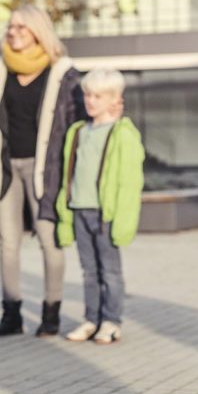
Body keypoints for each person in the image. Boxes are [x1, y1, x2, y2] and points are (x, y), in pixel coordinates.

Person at [0, 5, 84, 338]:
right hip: (4, 167)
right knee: (8, 243)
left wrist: (72, 173)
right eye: (10, 27)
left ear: (39, 31)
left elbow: (74, 124)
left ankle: (51, 313)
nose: (13, 32)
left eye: (21, 26)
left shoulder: (63, 71)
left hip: (45, 169)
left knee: (49, 241)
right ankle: (12, 314)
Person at [55, 69, 144, 345]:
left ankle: (111, 321)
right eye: (87, 95)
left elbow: (130, 183)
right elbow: (67, 175)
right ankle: (91, 319)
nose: (90, 101)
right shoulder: (78, 131)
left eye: (98, 96)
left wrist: (123, 222)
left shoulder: (123, 134)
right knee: (89, 271)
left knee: (110, 272)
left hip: (106, 215)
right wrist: (65, 213)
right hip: (79, 209)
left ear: (115, 99)